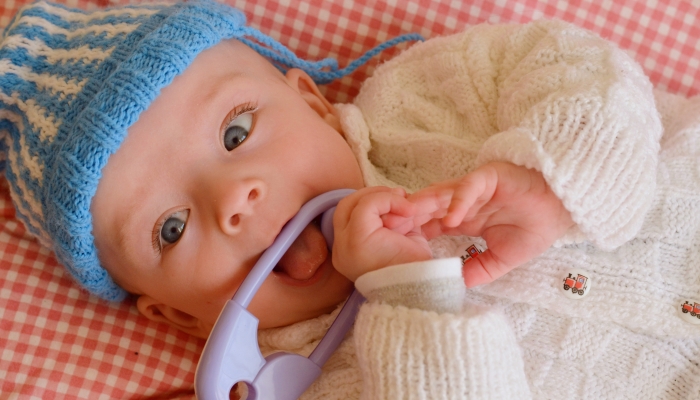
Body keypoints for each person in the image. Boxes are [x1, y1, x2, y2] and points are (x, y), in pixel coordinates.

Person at [2, 0, 699, 398]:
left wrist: (553, 176)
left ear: (314, 104)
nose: (234, 200)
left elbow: (574, 63)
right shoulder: (311, 384)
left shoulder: (421, 96)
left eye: (237, 130)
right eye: (172, 227)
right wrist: (407, 294)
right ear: (179, 316)